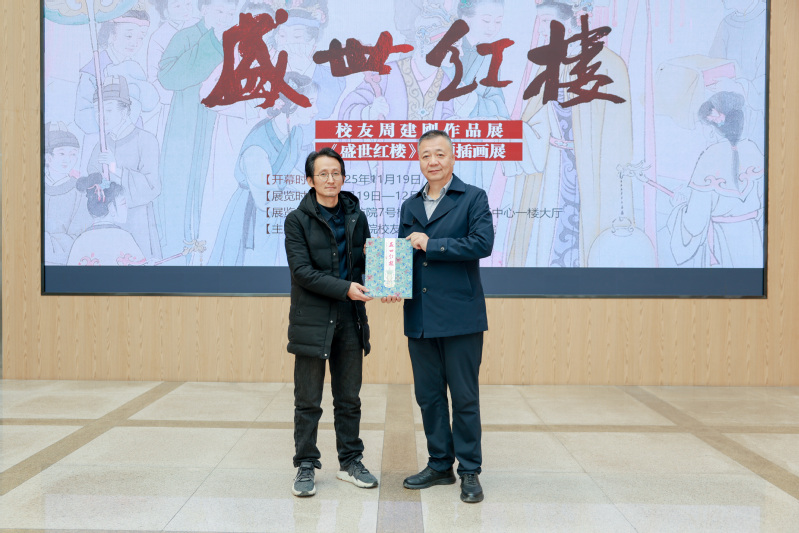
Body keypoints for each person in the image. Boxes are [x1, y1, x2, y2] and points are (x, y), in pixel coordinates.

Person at [383, 130, 494, 503]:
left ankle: (470, 470)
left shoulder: (472, 197)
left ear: (452, 157)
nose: (433, 161)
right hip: (420, 316)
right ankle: (439, 464)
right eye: (426, 155)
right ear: (419, 161)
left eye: (439, 154)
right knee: (428, 396)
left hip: (460, 315)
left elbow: (482, 243)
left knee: (464, 397)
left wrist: (434, 244)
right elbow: (403, 253)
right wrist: (392, 283)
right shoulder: (410, 205)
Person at [284, 147, 378, 497]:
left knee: (349, 398)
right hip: (312, 319)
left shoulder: (356, 216)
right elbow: (302, 272)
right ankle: (306, 464)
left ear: (343, 177)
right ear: (310, 180)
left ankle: (351, 461)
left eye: (335, 172)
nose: (330, 179)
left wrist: (388, 280)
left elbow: (365, 264)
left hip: (351, 317)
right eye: (322, 174)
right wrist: (345, 288)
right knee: (308, 399)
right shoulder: (297, 220)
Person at [67, 173, 145, 266]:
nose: (126, 208)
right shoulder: (124, 237)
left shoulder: (80, 240)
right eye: (123, 204)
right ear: (111, 208)